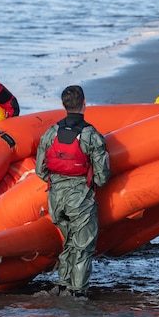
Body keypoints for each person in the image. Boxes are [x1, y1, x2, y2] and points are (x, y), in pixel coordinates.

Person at [35, 85, 111, 300]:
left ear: (63, 105)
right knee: (83, 246)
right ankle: (77, 292)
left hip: (56, 199)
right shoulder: (91, 135)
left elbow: (40, 170)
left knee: (68, 241)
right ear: (84, 103)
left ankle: (62, 285)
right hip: (80, 198)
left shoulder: (50, 133)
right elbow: (102, 176)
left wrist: (59, 183)